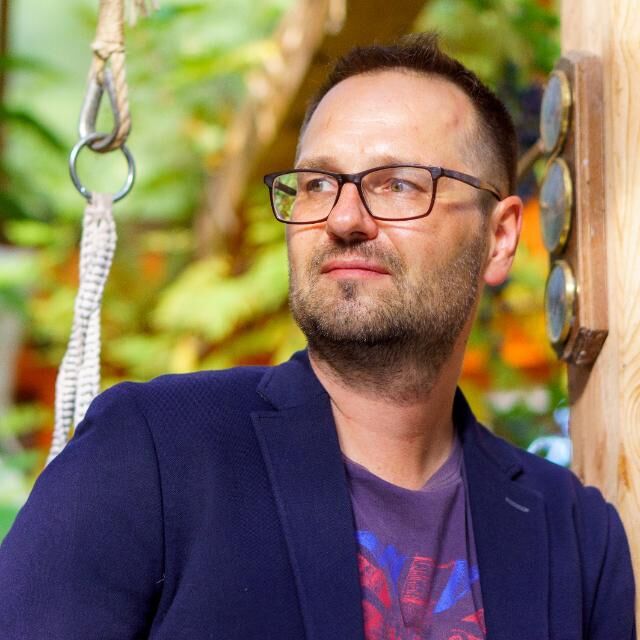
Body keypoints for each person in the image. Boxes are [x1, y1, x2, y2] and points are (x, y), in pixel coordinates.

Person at [0, 33, 635, 640]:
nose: (344, 218)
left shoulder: (575, 537)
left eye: (398, 184)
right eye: (318, 184)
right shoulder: (153, 452)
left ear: (498, 238)